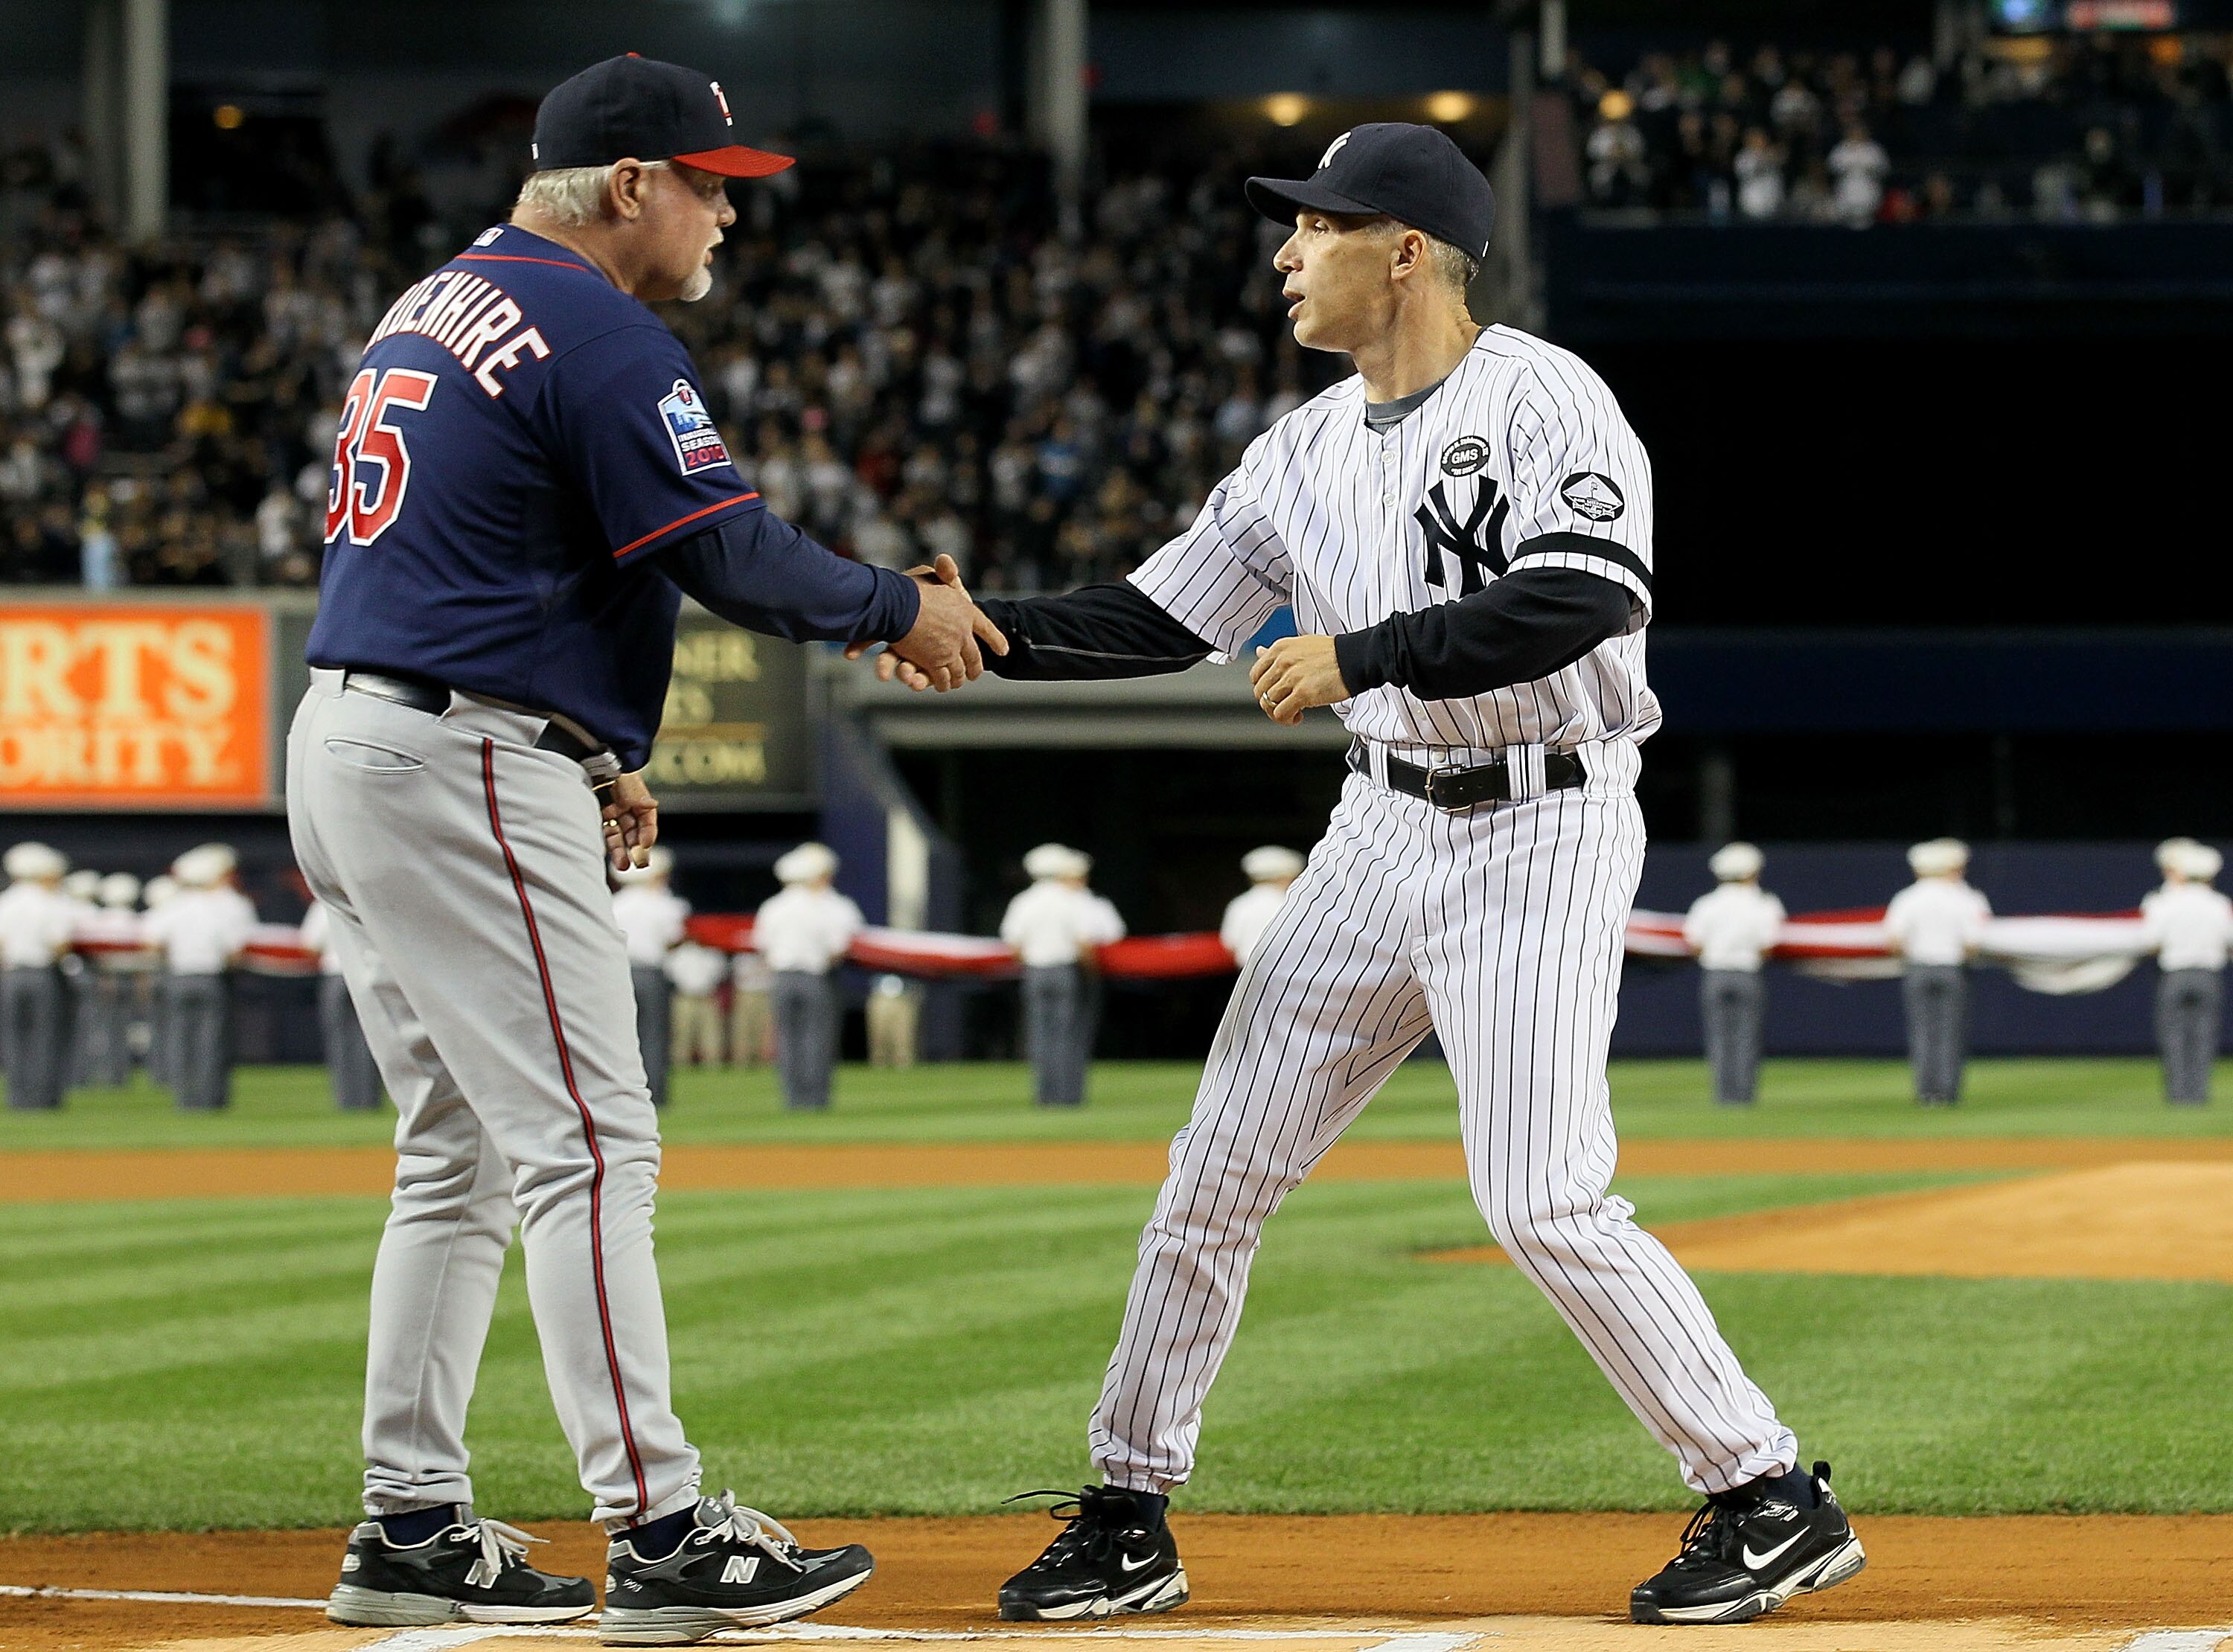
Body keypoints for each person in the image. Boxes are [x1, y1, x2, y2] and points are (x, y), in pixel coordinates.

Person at [865, 122, 1862, 1627]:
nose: (1284, 253)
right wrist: (972, 620)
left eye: (1313, 227)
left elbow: (1583, 600)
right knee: (1213, 1173)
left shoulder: (1543, 395)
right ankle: (1128, 1508)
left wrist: (1362, 654)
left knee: (1541, 1199)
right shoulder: (1300, 450)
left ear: (1405, 248)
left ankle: (1767, 1492)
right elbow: (1153, 620)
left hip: (1541, 818)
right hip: (1377, 826)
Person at [285, 53, 998, 1639]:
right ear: (630, 187)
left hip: (358, 733)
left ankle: (408, 1524)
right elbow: (731, 551)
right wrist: (905, 609)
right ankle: (663, 1528)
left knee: (456, 1152)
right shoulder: (599, 322)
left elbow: (494, 543)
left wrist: (597, 745)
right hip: (459, 750)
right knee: (592, 1146)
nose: (725, 215)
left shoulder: (435, 297)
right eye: (709, 184)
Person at [1000, 845, 1125, 1107]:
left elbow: (1014, 945)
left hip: (1034, 972)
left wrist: (1032, 963)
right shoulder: (1072, 900)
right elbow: (1083, 943)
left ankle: (1044, 1097)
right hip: (1066, 972)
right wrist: (1091, 972)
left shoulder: (1023, 901)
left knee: (1039, 1035)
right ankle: (1068, 1098)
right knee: (1068, 1035)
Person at [144, 844, 255, 1112]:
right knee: (211, 1041)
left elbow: (152, 943)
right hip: (211, 978)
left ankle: (186, 1099)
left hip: (178, 977)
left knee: (181, 1040)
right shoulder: (223, 907)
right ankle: (209, 1099)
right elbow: (234, 951)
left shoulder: (172, 906)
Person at [753, 843, 861, 1111]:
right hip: (816, 977)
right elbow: (838, 948)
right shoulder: (823, 907)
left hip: (781, 977)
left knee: (788, 1040)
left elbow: (761, 945)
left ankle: (793, 1100)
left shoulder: (773, 906)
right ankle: (815, 1101)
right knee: (817, 1038)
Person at [1883, 838, 1991, 1106]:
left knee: (1922, 1032)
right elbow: (1973, 944)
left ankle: (1926, 1093)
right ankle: (1946, 1093)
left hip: (1917, 969)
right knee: (1950, 1033)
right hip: (1952, 970)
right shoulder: (1966, 898)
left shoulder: (1907, 898)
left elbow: (1895, 941)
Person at [1683, 842, 1786, 1106]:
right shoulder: (1763, 903)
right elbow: (1768, 944)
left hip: (1714, 974)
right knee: (1746, 1036)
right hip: (1748, 973)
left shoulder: (1706, 904)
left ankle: (1723, 1097)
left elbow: (1695, 943)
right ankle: (1742, 1098)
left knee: (1718, 1037)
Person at [2141, 838, 2233, 1105]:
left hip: (2175, 974)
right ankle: (2198, 1095)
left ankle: (2178, 1096)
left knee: (2173, 1035)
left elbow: (2151, 942)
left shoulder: (2165, 902)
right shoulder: (2219, 904)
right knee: (2204, 1036)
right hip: (2209, 975)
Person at [0, 842, 77, 1111]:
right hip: (42, 974)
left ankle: (18, 1098)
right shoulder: (51, 902)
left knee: (14, 1037)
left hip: (11, 975)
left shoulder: (6, 901)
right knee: (44, 1037)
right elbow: (60, 945)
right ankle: (42, 1098)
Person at [611, 846, 689, 1110]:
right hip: (652, 973)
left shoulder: (614, 903)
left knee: (621, 1037)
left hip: (620, 973)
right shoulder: (664, 904)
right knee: (655, 1035)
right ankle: (654, 1093)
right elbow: (672, 940)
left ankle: (623, 1094)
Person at [301, 899, 386, 1112]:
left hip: (334, 975)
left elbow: (309, 945)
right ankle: (368, 1099)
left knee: (339, 1040)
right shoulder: (368, 901)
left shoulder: (323, 905)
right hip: (368, 973)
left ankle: (347, 1099)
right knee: (372, 1039)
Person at [80, 872, 147, 1087]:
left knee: (101, 1028)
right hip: (126, 978)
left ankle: (101, 1071)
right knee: (121, 1028)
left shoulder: (100, 920)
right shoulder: (137, 920)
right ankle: (118, 1073)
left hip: (103, 978)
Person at [1218, 846, 1304, 968]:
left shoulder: (1239, 904)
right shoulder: (1292, 904)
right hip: (1289, 972)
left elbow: (1230, 944)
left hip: (1248, 974)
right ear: (1285, 878)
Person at [665, 935, 729, 1070]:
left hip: (706, 998)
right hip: (685, 998)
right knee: (682, 1033)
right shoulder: (680, 954)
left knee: (711, 1034)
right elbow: (671, 974)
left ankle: (713, 1064)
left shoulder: (713, 953)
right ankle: (680, 1064)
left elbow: (720, 975)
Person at [729, 945, 774, 1068]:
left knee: (766, 1031)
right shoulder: (742, 956)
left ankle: (765, 1063)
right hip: (746, 994)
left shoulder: (771, 954)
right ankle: (741, 1063)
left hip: (765, 995)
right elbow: (740, 977)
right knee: (743, 1030)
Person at [865, 973, 919, 1069]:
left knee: (903, 1035)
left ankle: (903, 1065)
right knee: (879, 1034)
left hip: (904, 996)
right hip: (880, 995)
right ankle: (879, 1064)